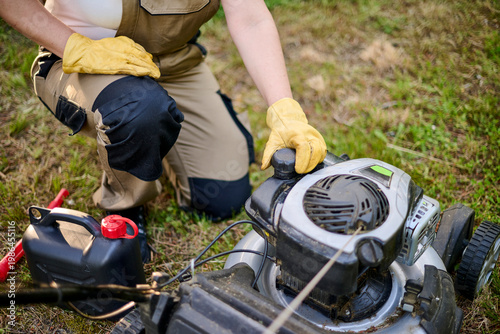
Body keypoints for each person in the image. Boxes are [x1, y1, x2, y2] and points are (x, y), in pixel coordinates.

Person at [0, 0, 327, 263]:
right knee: (136, 111)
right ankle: (125, 204)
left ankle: (154, 133)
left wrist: (284, 107)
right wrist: (75, 47)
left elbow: (250, 17)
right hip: (83, 60)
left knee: (223, 197)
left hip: (172, 63)